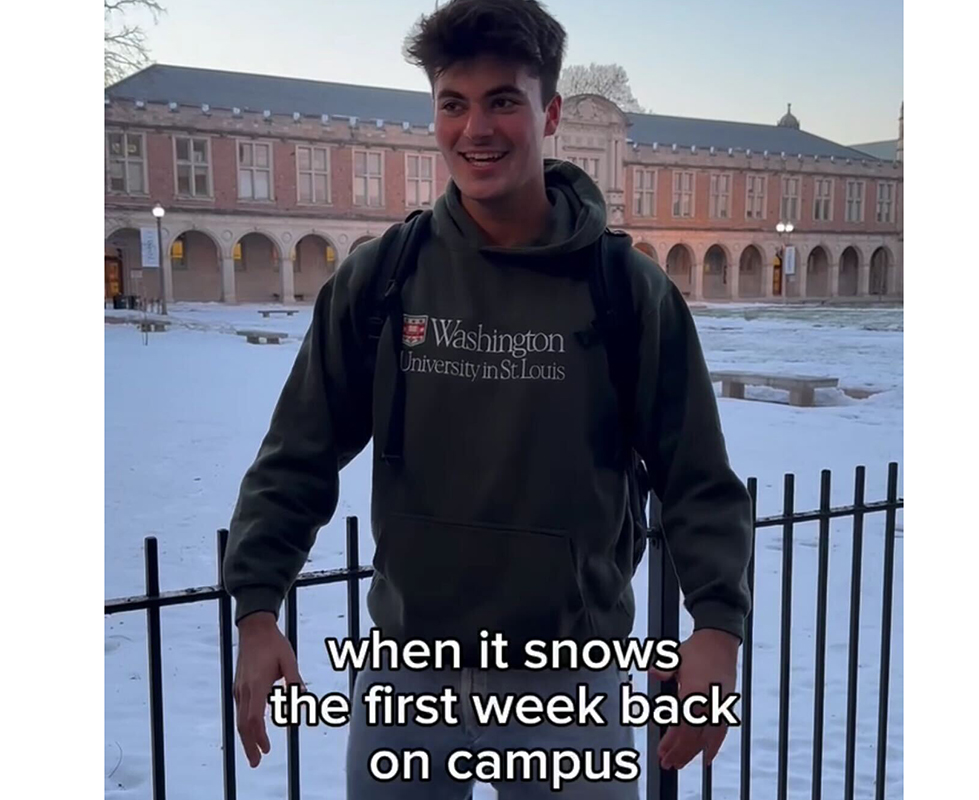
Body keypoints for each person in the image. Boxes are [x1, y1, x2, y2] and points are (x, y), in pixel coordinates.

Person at [222, 0, 753, 795]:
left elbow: (696, 474)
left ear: (551, 113)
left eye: (504, 99)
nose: (477, 128)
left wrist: (716, 623)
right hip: (406, 673)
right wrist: (259, 606)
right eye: (453, 103)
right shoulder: (383, 278)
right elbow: (297, 453)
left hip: (571, 682)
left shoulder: (625, 291)